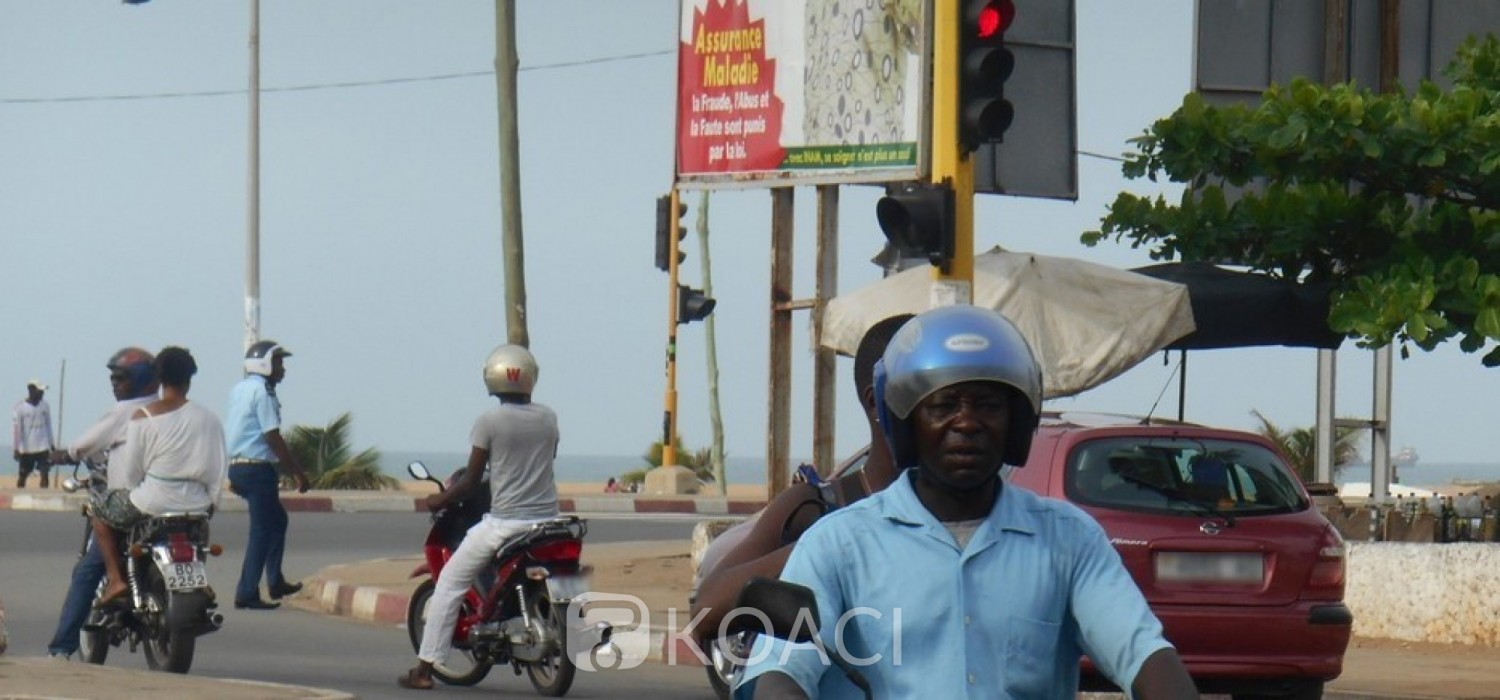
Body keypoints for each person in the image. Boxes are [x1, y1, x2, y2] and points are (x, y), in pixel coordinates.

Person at [738, 305, 1198, 699]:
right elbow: (782, 669)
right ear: (906, 423)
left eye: (988, 405)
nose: (967, 423)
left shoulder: (1068, 541)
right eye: (944, 406)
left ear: (1017, 424)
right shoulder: (839, 544)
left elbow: (1142, 653)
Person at [690, 314, 911, 645]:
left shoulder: (990, 514)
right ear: (875, 400)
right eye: (922, 391)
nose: (962, 419)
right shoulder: (815, 508)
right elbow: (707, 612)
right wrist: (828, 545)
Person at [398, 344, 562, 690]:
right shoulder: (548, 417)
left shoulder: (489, 421)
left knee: (449, 585)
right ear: (530, 377)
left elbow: (470, 481)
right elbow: (548, 458)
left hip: (506, 523)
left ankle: (425, 671)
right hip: (548, 521)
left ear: (493, 377)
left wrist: (437, 499)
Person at [44, 346, 160, 659]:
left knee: (87, 569)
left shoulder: (125, 411)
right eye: (113, 377)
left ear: (141, 379)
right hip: (169, 502)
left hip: (131, 502)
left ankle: (61, 648)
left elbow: (83, 446)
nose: (114, 383)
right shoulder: (165, 408)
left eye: (121, 377)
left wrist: (63, 454)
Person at [89, 347, 226, 606]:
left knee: (99, 513)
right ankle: (199, 578)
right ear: (190, 378)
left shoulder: (143, 417)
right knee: (199, 534)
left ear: (159, 379)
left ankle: (117, 579)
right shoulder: (210, 419)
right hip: (197, 503)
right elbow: (217, 470)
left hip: (153, 501)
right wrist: (211, 503)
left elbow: (131, 475)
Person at [224, 340, 310, 610]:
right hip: (258, 469)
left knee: (277, 520)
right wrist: (297, 472)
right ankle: (246, 591)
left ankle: (275, 580)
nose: (282, 369)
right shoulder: (263, 392)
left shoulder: (240, 389)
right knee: (261, 531)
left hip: (239, 465)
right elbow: (272, 435)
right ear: (264, 364)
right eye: (278, 363)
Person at [13, 379, 55, 488]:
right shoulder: (20, 408)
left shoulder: (45, 406)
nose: (42, 394)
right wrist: (16, 448)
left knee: (45, 473)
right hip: (27, 449)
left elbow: (48, 425)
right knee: (23, 475)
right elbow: (17, 430)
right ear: (31, 390)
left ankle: (44, 496)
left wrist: (51, 444)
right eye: (39, 391)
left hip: (43, 446)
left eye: (43, 392)